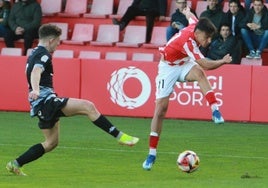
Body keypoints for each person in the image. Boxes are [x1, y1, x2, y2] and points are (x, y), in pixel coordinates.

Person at [6, 24, 139, 176]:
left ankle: (15, 164)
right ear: (51, 40)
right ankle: (120, 136)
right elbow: (36, 71)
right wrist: (36, 89)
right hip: (46, 102)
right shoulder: (44, 54)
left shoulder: (34, 52)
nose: (58, 44)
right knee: (88, 106)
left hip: (39, 104)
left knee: (51, 143)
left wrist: (34, 90)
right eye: (58, 41)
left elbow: (31, 70)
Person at [142, 7, 232, 171]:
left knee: (199, 74)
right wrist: (222, 61)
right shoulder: (188, 41)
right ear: (197, 33)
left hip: (182, 63)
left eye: (210, 38)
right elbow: (205, 63)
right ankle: (152, 154)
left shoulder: (196, 25)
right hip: (167, 67)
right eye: (207, 37)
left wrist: (186, 11)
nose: (209, 41)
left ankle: (215, 110)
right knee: (160, 109)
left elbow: (191, 17)